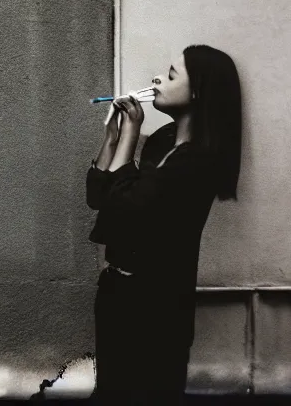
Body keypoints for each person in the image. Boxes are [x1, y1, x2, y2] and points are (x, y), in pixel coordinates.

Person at [87, 45, 242, 405]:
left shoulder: (197, 162)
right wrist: (111, 139)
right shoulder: (164, 141)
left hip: (156, 308)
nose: (158, 78)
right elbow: (100, 196)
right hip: (118, 295)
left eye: (171, 75)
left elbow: (128, 206)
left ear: (198, 91)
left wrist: (129, 134)